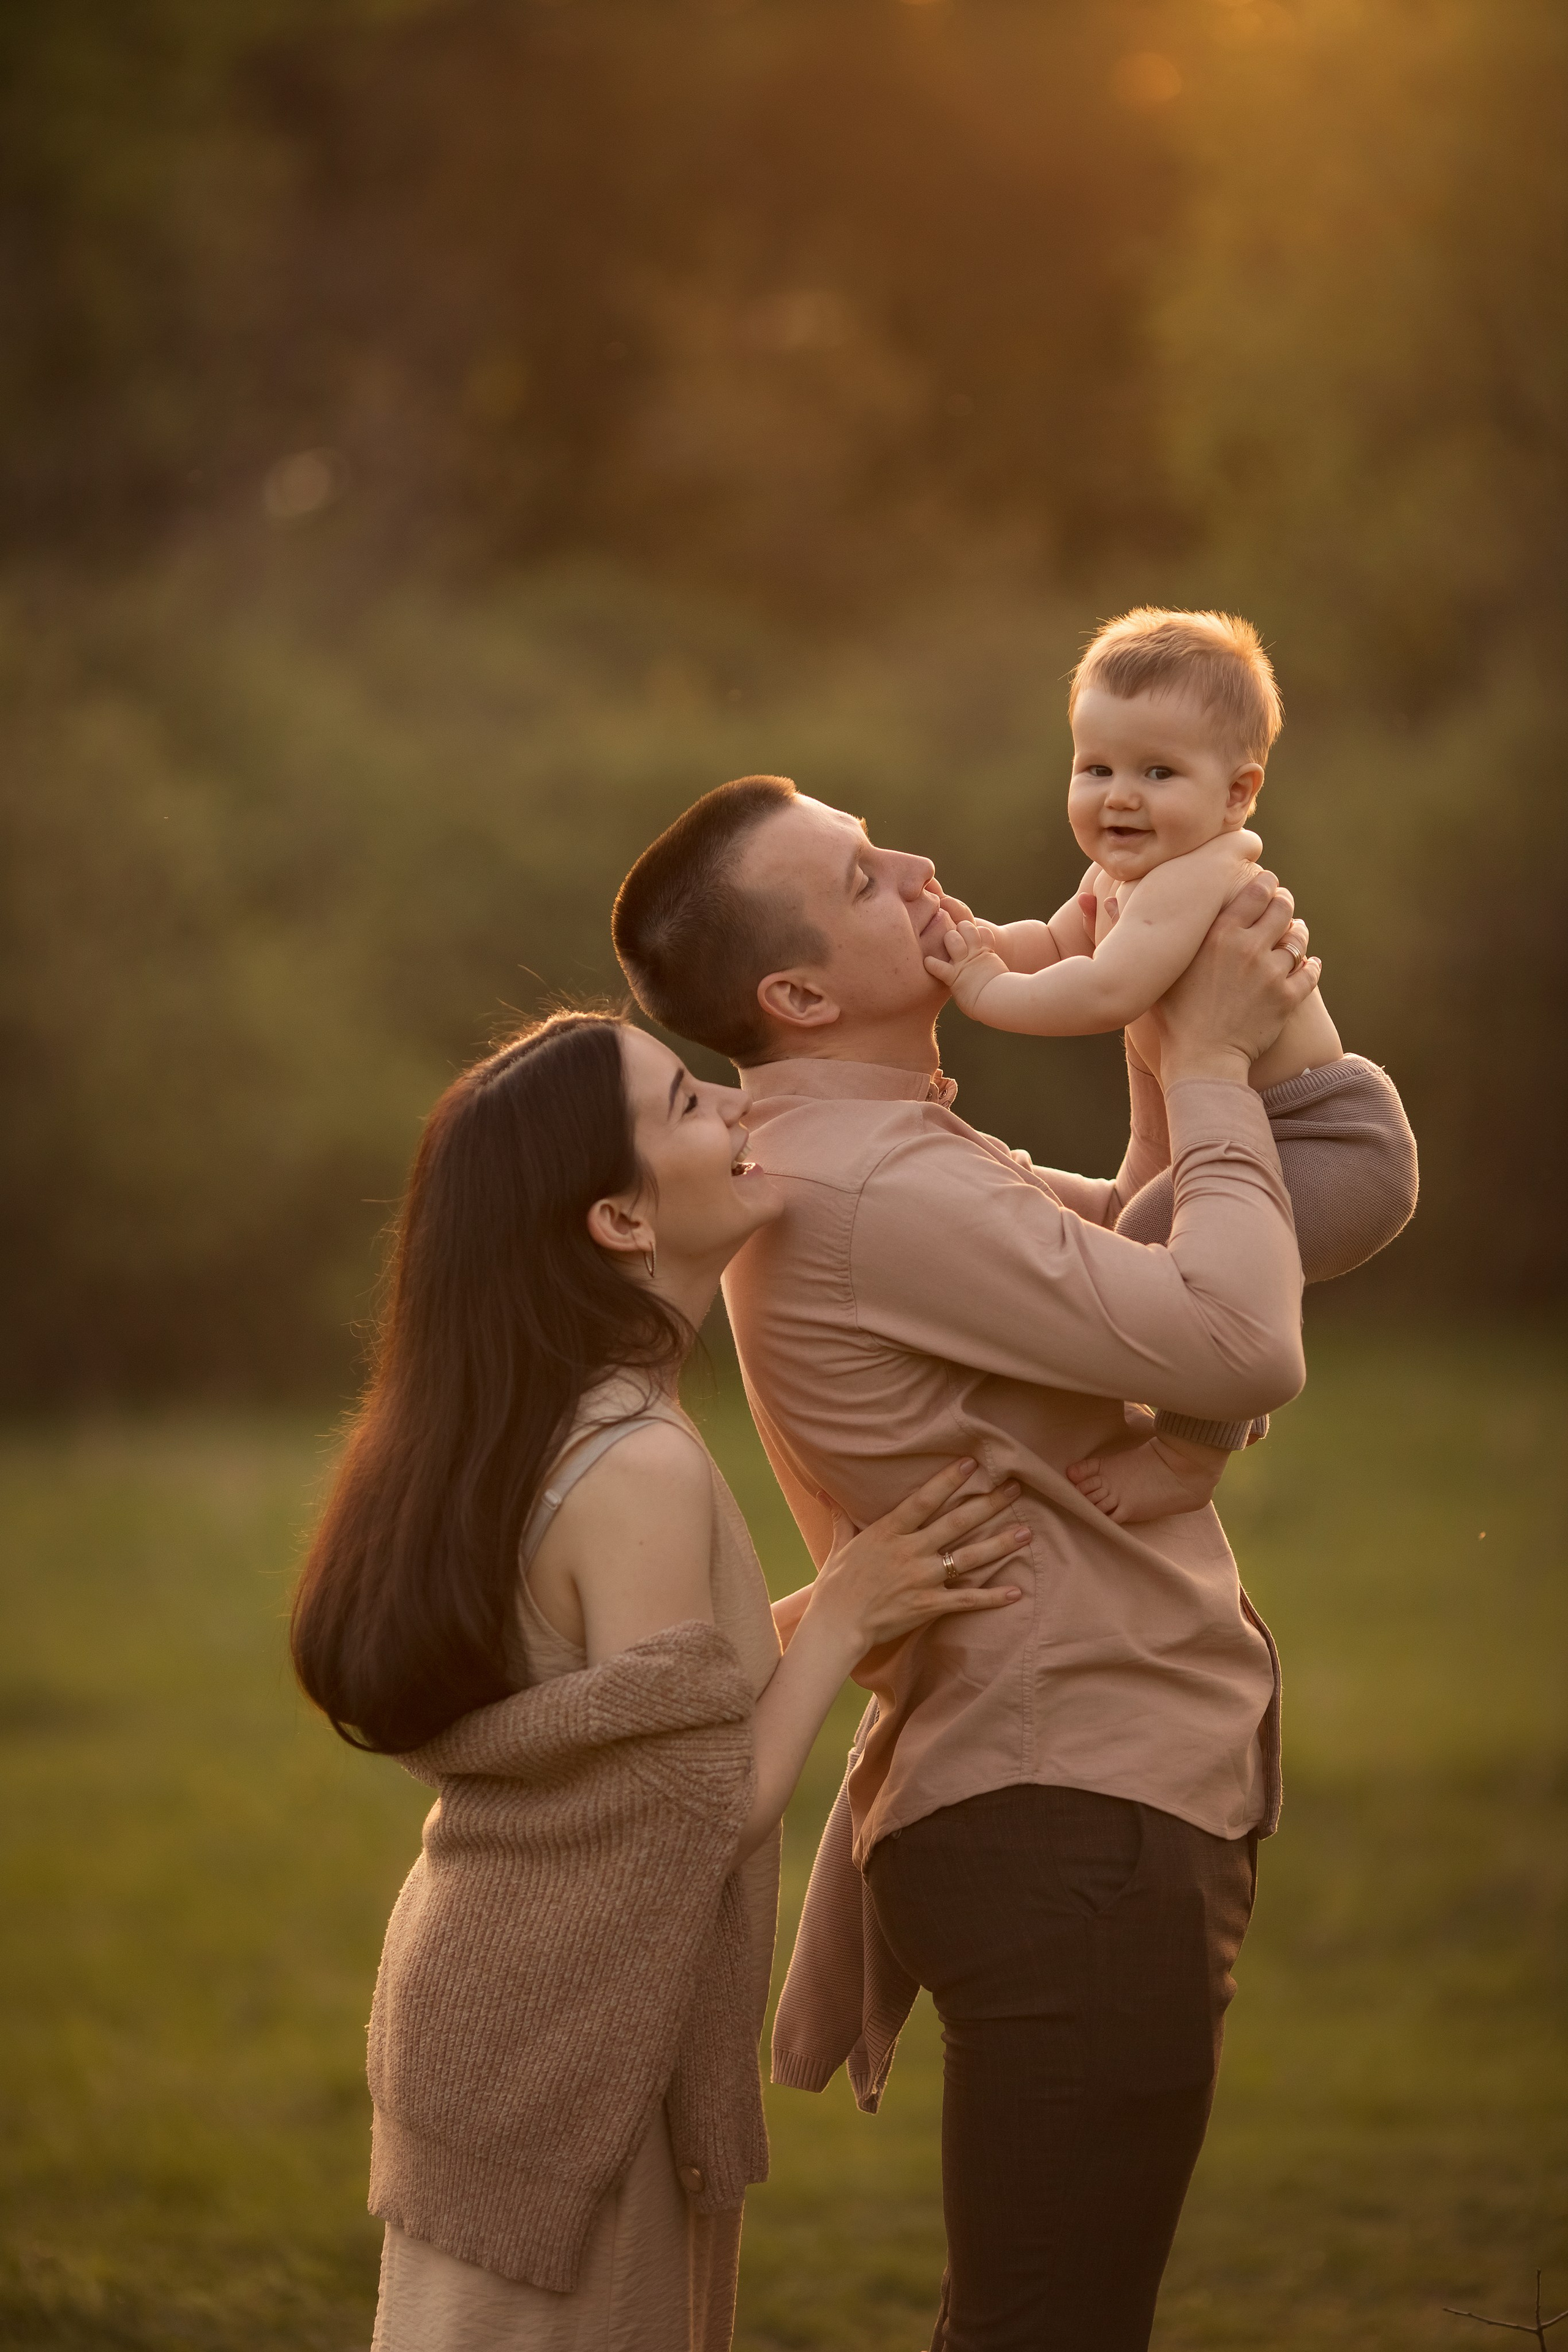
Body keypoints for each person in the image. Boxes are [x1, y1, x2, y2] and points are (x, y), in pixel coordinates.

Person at [612, 780, 1417, 2352]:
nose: (918, 866)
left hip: (1070, 1794)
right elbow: (1239, 1340)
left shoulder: (882, 1156)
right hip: (1068, 1808)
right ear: (798, 997)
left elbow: (1142, 1255)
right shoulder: (873, 1191)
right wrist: (1209, 1064)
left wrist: (1156, 1037)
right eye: (863, 876)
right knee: (1049, 2326)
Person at [288, 1009, 1028, 2352]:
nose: (738, 1108)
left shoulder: (566, 1419)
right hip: (571, 2062)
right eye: (689, 1104)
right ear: (621, 1219)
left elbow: (655, 1710)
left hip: (508, 2030)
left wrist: (839, 1609)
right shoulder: (636, 1459)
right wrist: (847, 1611)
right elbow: (702, 1806)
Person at [924, 608, 1343, 1525]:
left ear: (1237, 795)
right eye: (1097, 769)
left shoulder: (1198, 878)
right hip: (1271, 1134)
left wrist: (986, 992)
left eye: (1159, 773)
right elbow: (1057, 944)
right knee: (1172, 1240)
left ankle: (1190, 1456)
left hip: (1331, 1139)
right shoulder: (1121, 880)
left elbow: (1107, 989)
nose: (1121, 797)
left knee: (1166, 1245)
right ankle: (1206, 1411)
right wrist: (983, 942)